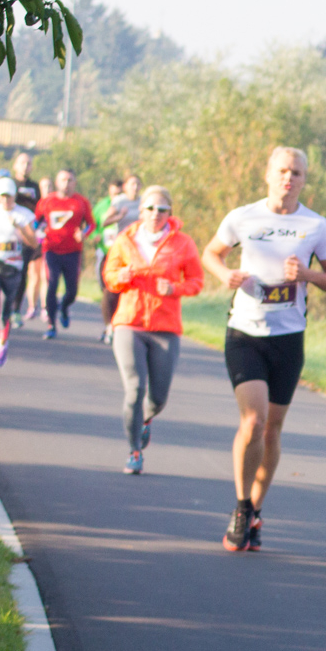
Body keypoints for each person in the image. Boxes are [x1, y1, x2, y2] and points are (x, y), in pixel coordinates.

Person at [201, 146, 326, 552]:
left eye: (297, 173)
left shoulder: (316, 226)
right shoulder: (243, 217)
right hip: (245, 332)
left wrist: (309, 275)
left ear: (304, 179)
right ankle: (242, 507)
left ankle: (258, 509)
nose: (289, 178)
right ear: (267, 174)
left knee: (272, 430)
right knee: (253, 421)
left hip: (288, 337)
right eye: (282, 171)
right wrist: (225, 273)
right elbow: (210, 253)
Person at [102, 186, 203, 474]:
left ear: (170, 213)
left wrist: (175, 288)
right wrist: (120, 278)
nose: (155, 214)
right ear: (141, 210)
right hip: (129, 323)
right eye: (150, 208)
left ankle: (146, 418)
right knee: (134, 388)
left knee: (158, 398)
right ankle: (134, 451)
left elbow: (196, 280)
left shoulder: (182, 243)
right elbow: (109, 277)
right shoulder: (126, 239)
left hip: (165, 326)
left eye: (161, 210)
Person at [0, 176, 38, 369]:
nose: (5, 201)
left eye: (9, 197)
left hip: (13, 267)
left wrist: (19, 227)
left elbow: (34, 243)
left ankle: (3, 342)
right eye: (2, 197)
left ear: (14, 197)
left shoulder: (23, 215)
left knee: (6, 311)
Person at [35, 169, 95, 339]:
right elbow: (35, 222)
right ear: (57, 181)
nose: (66, 183)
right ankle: (51, 325)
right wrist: (39, 236)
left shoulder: (81, 202)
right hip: (51, 250)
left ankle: (64, 307)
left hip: (73, 252)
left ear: (75, 183)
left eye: (70, 180)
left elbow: (91, 224)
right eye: (63, 180)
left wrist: (84, 234)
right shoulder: (47, 201)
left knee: (72, 290)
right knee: (52, 283)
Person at [99, 175, 140, 343]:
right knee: (111, 289)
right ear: (125, 187)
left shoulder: (146, 203)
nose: (135, 187)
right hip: (121, 249)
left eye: (138, 184)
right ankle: (109, 326)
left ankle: (133, 327)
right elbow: (104, 222)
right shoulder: (119, 202)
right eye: (132, 184)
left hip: (140, 252)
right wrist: (119, 216)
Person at [8, 152, 41, 327]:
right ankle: (1, 303)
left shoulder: (35, 186)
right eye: (22, 163)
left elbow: (39, 208)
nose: (25, 166)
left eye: (28, 163)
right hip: (9, 234)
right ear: (15, 165)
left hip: (27, 235)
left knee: (22, 274)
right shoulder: (10, 184)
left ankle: (15, 309)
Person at [24, 174, 53, 319]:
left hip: (49, 244)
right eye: (44, 186)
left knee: (45, 276)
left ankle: (44, 307)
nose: (47, 189)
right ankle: (31, 306)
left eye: (49, 186)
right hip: (36, 243)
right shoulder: (37, 204)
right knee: (34, 276)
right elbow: (33, 223)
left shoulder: (55, 203)